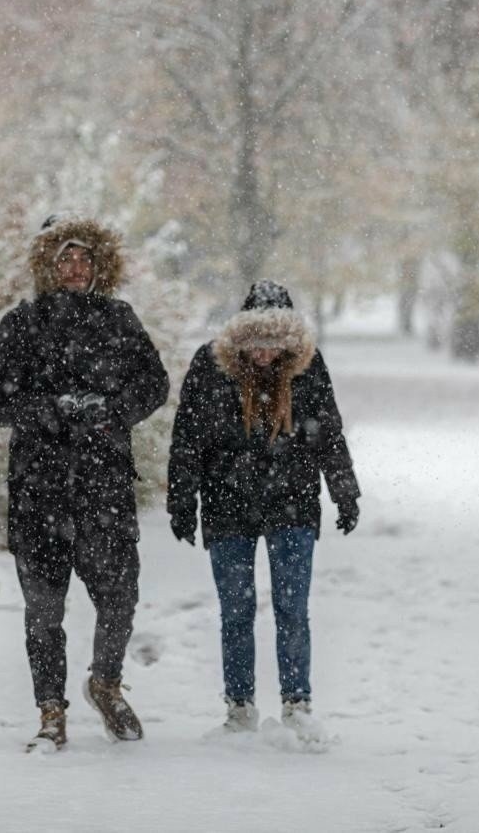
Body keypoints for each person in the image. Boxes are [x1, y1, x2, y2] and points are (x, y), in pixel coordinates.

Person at [0, 214, 169, 751]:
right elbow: (0, 401)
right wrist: (50, 409)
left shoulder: (119, 320)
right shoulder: (19, 324)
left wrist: (111, 411)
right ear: (46, 265)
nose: (74, 268)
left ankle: (106, 684)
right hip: (38, 489)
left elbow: (154, 384)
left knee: (119, 597)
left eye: (84, 258)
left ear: (100, 266)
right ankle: (50, 711)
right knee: (44, 610)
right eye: (64, 258)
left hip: (103, 487)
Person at [166, 280, 360, 735]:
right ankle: (239, 706)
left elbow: (328, 432)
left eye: (275, 341)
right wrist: (181, 498)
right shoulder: (209, 366)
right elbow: (188, 439)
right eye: (256, 341)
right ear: (241, 337)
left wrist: (344, 490)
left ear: (290, 340)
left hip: (291, 503)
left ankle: (297, 702)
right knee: (236, 610)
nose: (265, 352)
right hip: (226, 502)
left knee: (293, 609)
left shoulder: (308, 370)